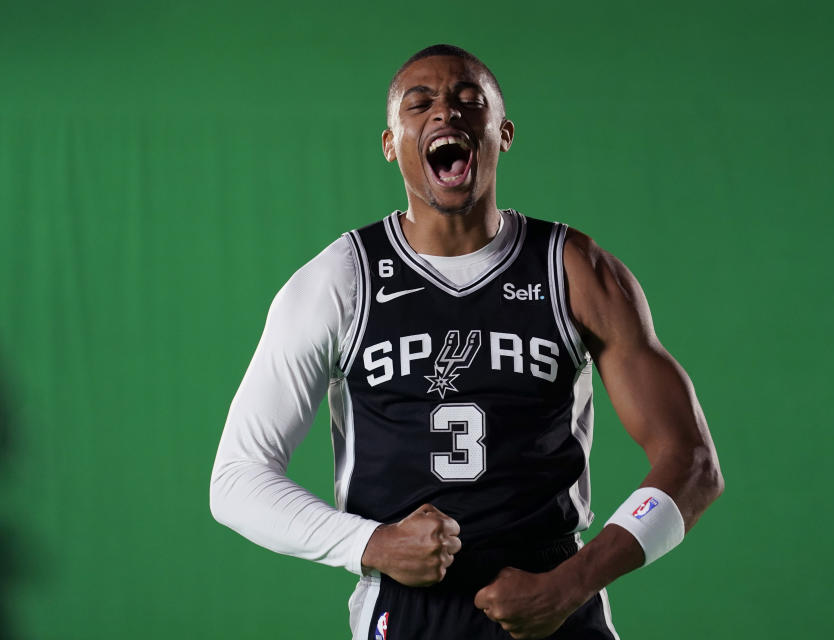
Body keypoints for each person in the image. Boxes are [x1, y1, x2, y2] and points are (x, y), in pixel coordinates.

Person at [210, 44, 724, 640]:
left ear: (502, 133)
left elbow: (692, 463)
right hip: (409, 609)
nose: (444, 114)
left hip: (556, 598)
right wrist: (370, 542)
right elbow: (237, 479)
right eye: (419, 103)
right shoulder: (340, 280)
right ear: (389, 143)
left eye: (467, 101)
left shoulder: (574, 270)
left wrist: (572, 582)